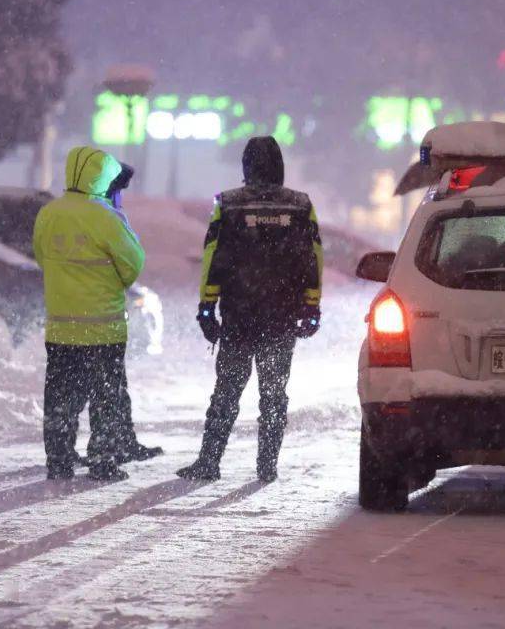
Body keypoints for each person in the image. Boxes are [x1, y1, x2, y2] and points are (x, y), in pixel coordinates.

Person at [177, 136, 323, 482]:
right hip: (281, 317)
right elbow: (312, 258)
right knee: (273, 394)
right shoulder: (301, 206)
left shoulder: (227, 204)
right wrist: (311, 306)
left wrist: (206, 306)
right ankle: (267, 466)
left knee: (227, 389)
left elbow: (214, 256)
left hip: (240, 316)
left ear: (246, 166)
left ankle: (209, 462)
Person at [34, 146, 146, 481]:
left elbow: (41, 257)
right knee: (104, 399)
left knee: (60, 399)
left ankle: (59, 459)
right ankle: (103, 461)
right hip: (103, 330)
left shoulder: (48, 214)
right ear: (101, 176)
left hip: (61, 330)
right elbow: (133, 264)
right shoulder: (104, 217)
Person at [71, 162, 163, 467]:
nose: (121, 194)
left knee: (111, 382)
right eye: (119, 188)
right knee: (102, 384)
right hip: (97, 312)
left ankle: (120, 441)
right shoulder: (101, 212)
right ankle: (103, 449)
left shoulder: (97, 208)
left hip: (99, 308)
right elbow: (126, 258)